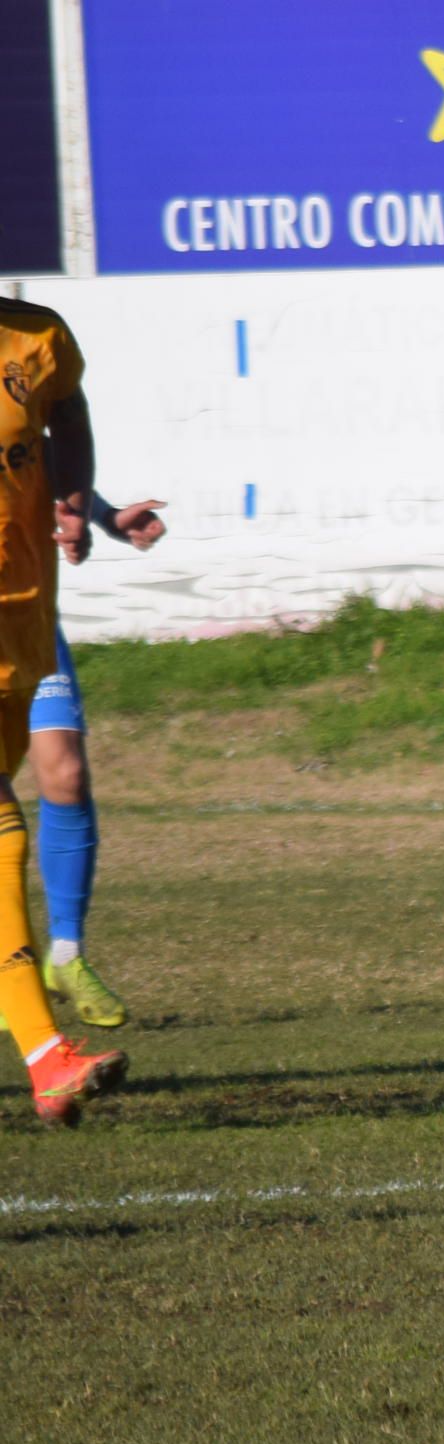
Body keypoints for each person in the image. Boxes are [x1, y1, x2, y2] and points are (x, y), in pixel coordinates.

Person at [0, 294, 127, 1124]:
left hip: (18, 619)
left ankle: (45, 1049)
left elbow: (67, 422)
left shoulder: (38, 339)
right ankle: (47, 1055)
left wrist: (80, 503)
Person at [33, 493, 168, 1030]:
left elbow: (41, 456)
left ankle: (64, 954)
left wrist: (106, 518)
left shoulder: (18, 408)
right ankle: (9, 973)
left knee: (66, 774)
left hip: (28, 615)